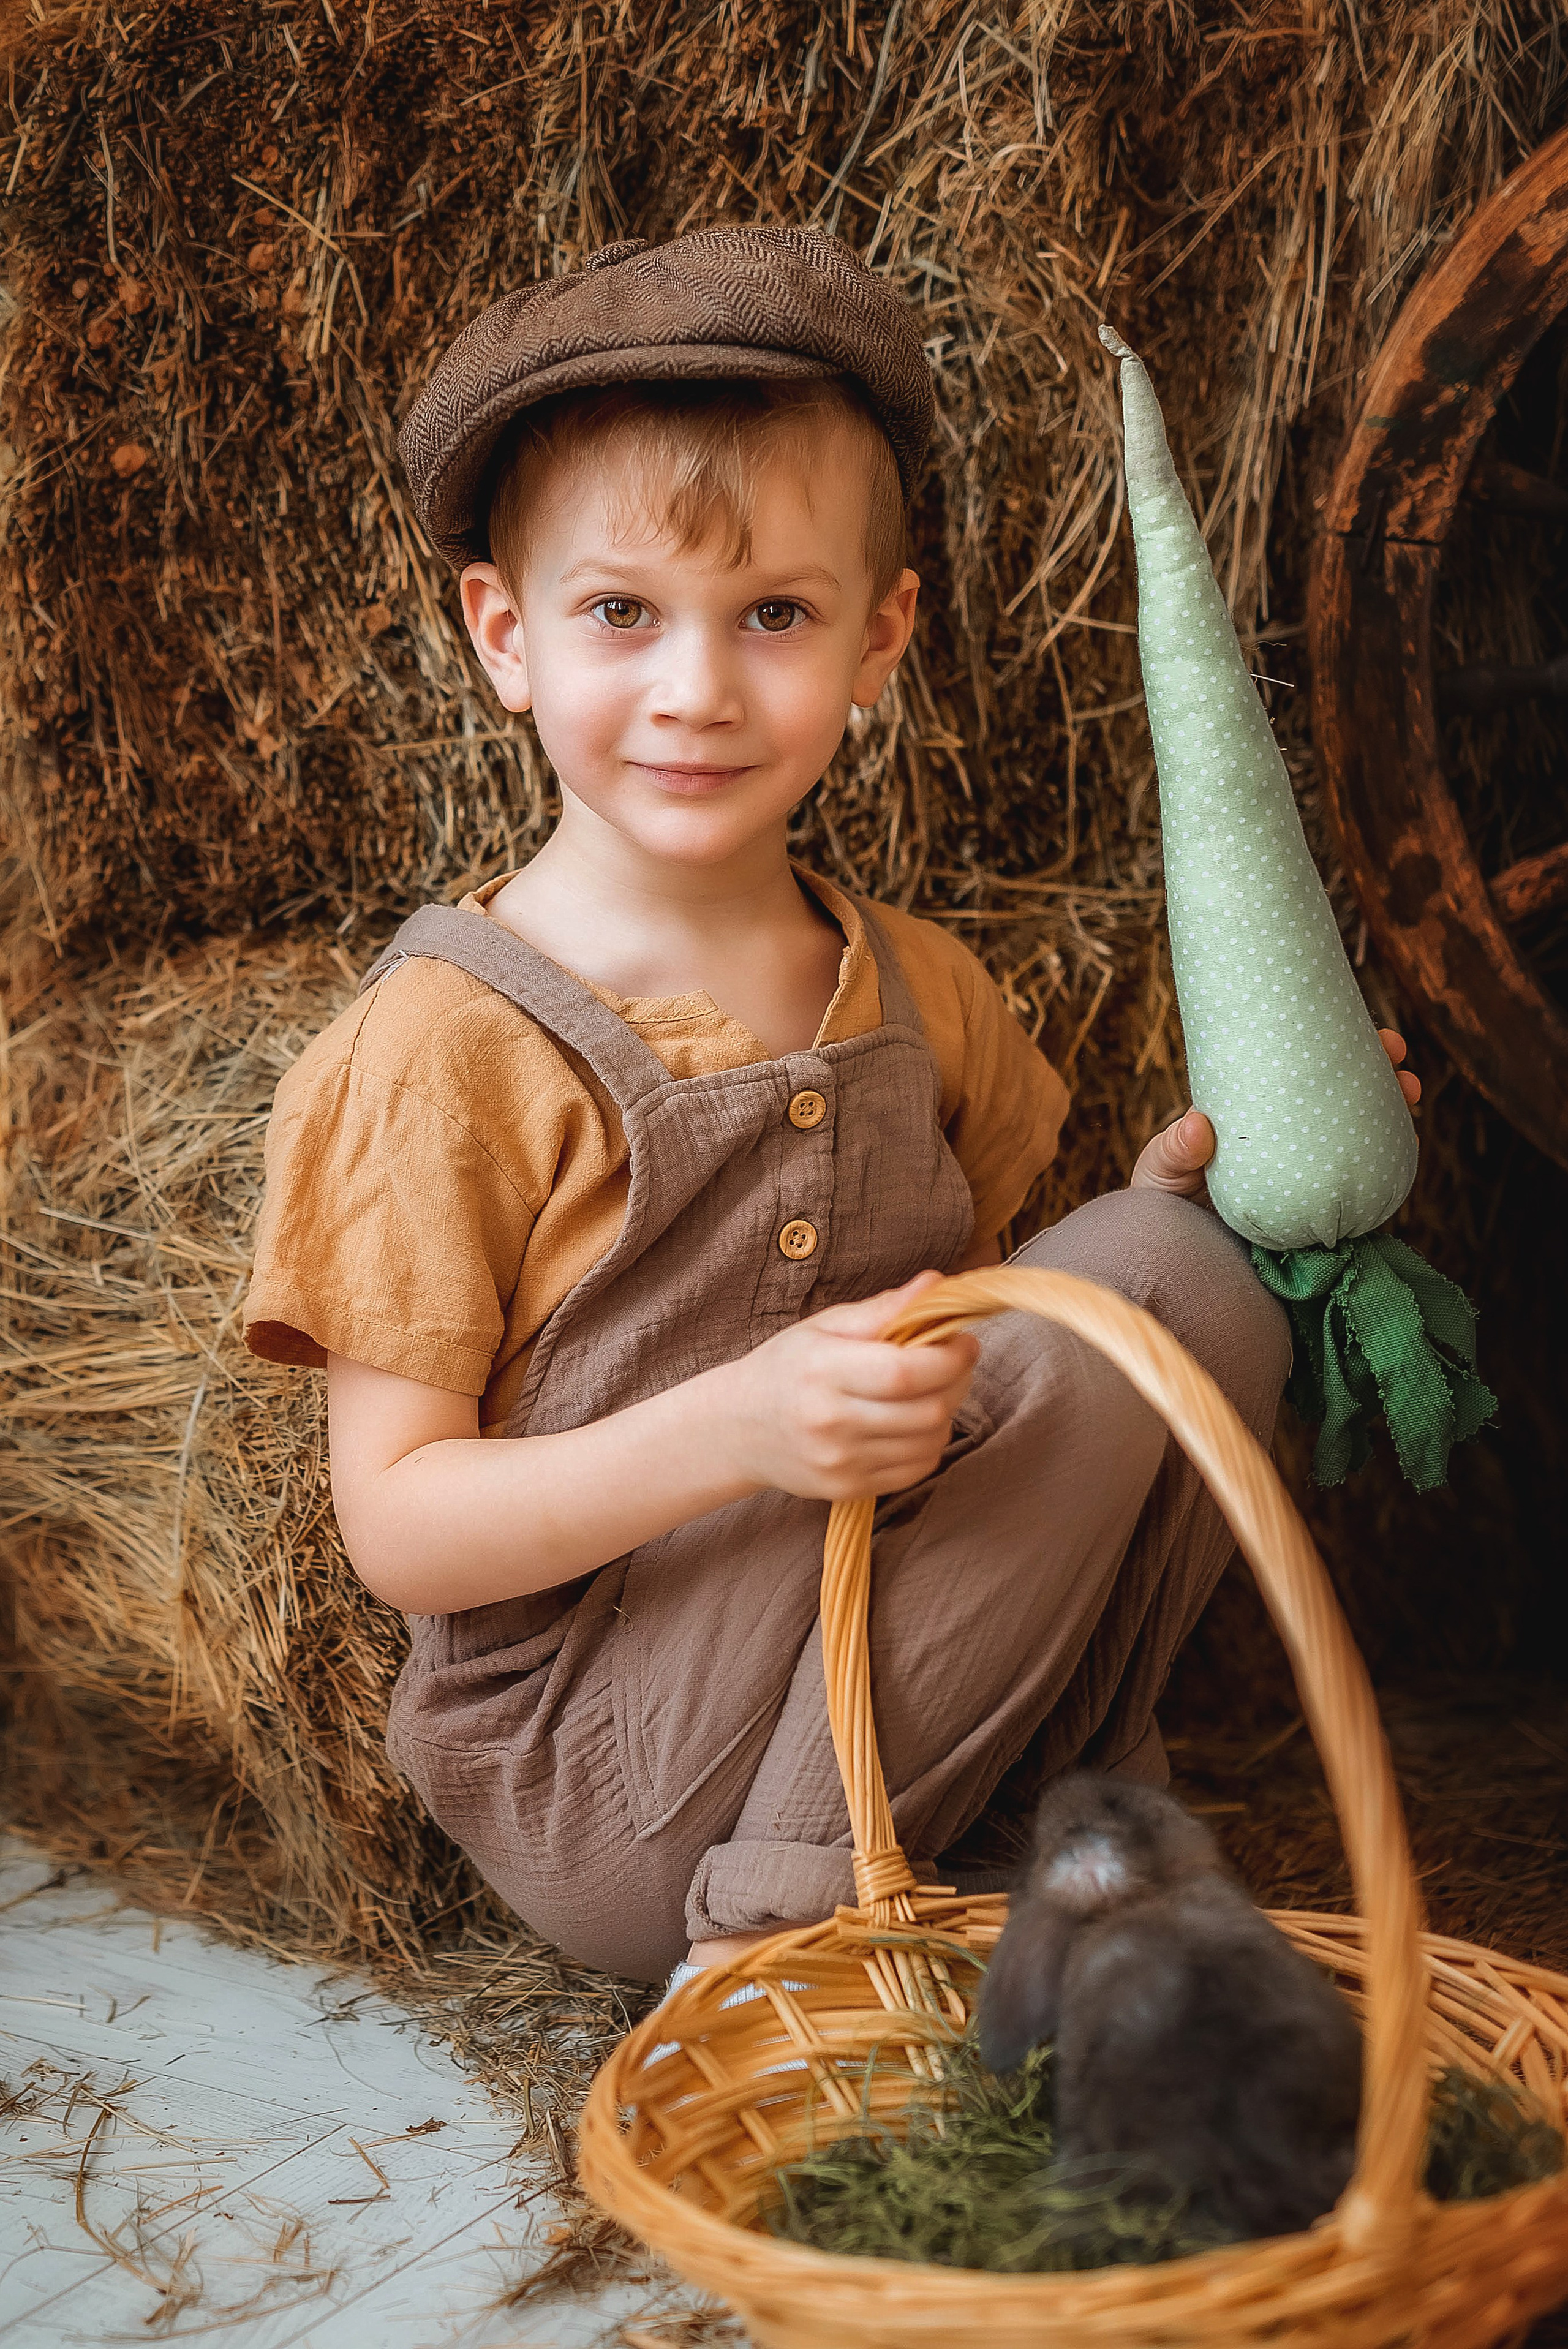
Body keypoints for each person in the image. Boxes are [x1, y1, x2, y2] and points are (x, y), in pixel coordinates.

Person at [244, 227, 1420, 1985]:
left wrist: (1203, 1215)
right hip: (617, 1765)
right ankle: (769, 1958)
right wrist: (738, 1430)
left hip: (900, 1719)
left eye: (775, 616)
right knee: (1140, 1293)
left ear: (881, 640)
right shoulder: (439, 1052)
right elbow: (399, 1524)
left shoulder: (929, 994)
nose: (698, 688)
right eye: (622, 612)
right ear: (505, 635)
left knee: (1201, 1291)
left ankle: (1045, 1840)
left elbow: (1007, 1389)